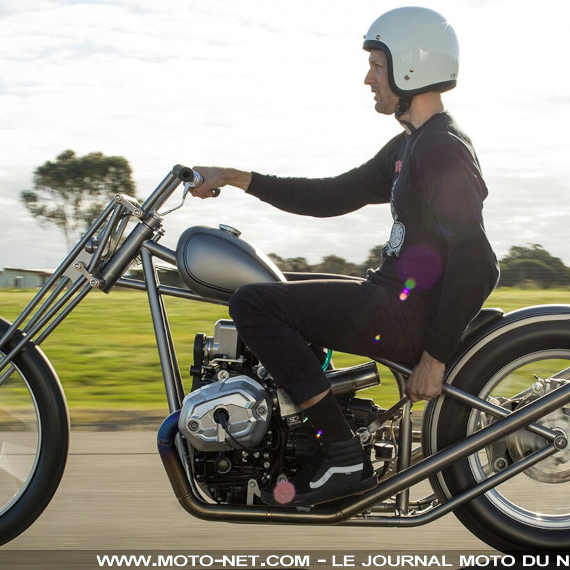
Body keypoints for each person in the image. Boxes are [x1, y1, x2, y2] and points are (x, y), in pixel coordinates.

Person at [190, 7, 499, 507]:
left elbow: (478, 259)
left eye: (377, 65)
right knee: (276, 286)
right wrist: (235, 177)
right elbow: (331, 196)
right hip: (393, 300)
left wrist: (434, 357)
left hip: (405, 314)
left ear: (411, 66)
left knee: (253, 304)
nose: (368, 78)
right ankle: (302, 438)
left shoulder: (440, 147)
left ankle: (341, 454)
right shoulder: (411, 146)